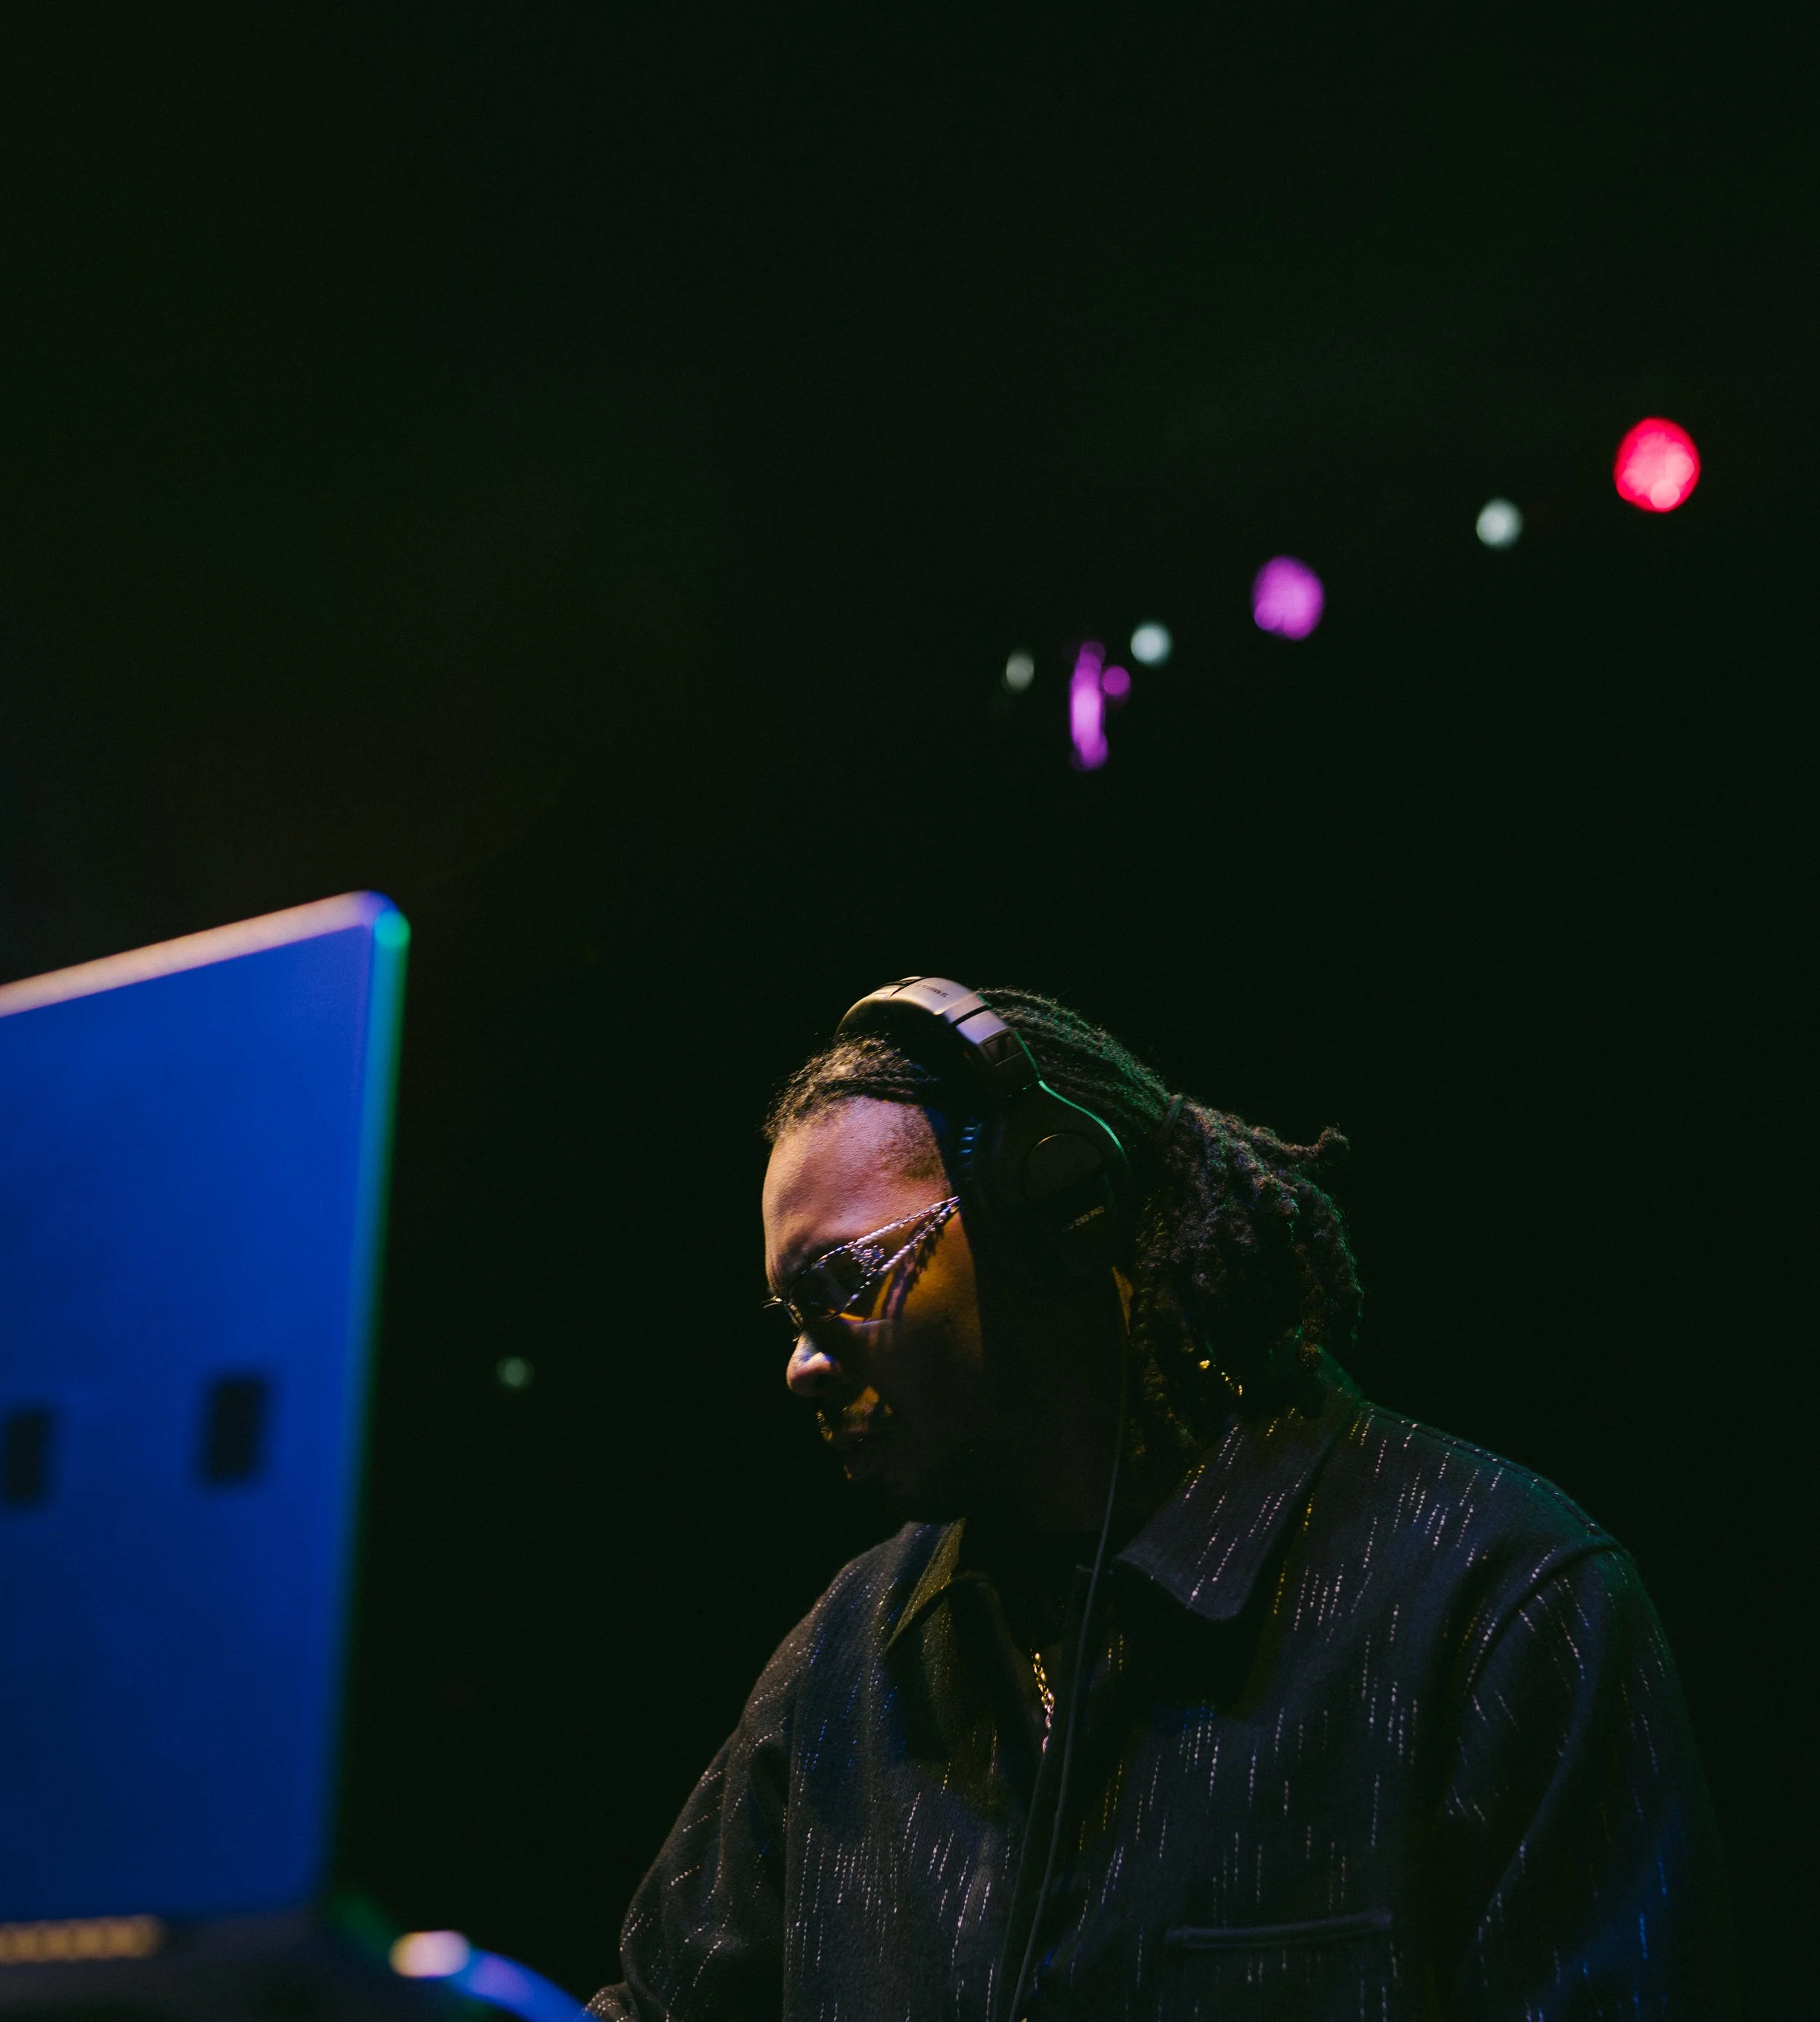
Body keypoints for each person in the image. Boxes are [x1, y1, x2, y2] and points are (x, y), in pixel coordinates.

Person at [588, 983, 1734, 2021]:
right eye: (790, 1314)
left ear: (1058, 1218)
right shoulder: (842, 1664)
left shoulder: (1494, 1604)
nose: (803, 1364)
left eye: (841, 1283)